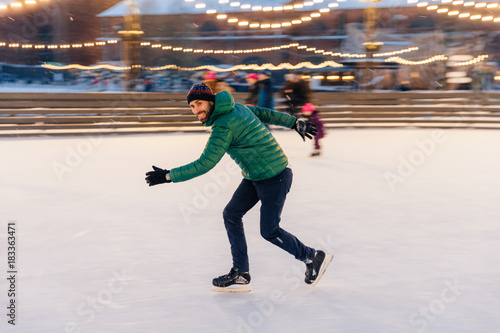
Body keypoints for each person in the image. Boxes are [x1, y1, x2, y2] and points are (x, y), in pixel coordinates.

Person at [145, 83, 333, 292]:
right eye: (192, 106)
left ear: (211, 101)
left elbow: (205, 163)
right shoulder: (236, 108)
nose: (196, 110)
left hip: (275, 178)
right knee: (231, 214)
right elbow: (264, 113)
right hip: (255, 176)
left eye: (199, 104)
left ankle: (311, 256)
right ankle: (241, 273)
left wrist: (169, 176)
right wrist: (293, 122)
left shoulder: (223, 126)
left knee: (269, 231)